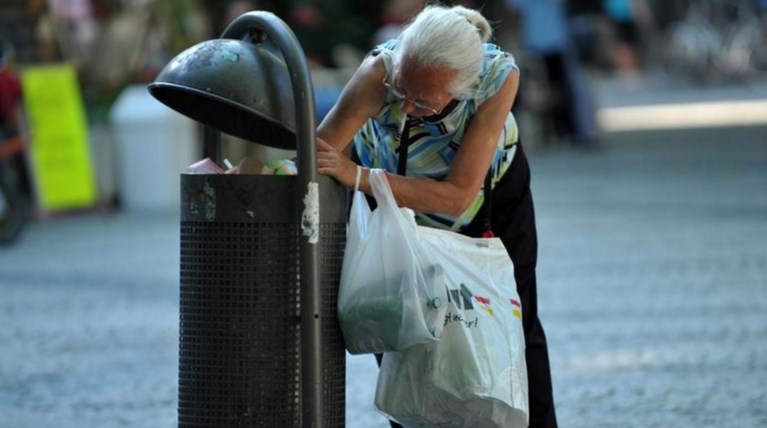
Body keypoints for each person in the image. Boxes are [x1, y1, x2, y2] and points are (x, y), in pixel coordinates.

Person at [316, 4, 558, 428]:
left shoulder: (499, 77)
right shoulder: (380, 71)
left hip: (488, 193)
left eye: (423, 102)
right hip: (392, 194)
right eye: (401, 91)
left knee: (513, 314)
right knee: (397, 317)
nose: (406, 108)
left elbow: (456, 196)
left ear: (464, 88)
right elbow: (320, 154)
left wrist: (359, 176)